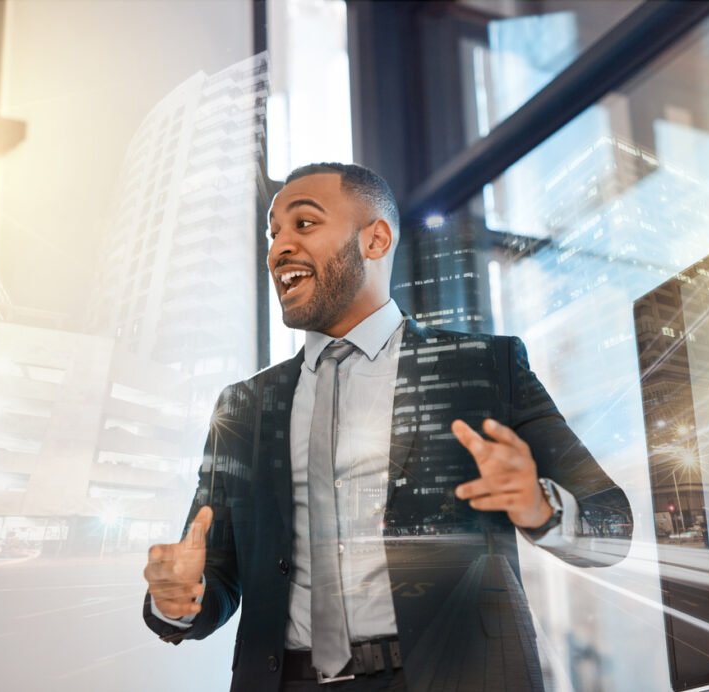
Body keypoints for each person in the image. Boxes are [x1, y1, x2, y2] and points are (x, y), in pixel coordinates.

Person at [142, 163, 632, 691]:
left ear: (375, 239)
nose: (279, 247)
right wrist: (176, 601)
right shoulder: (241, 408)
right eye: (273, 232)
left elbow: (612, 526)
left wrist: (539, 506)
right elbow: (213, 577)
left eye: (303, 224)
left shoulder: (484, 368)